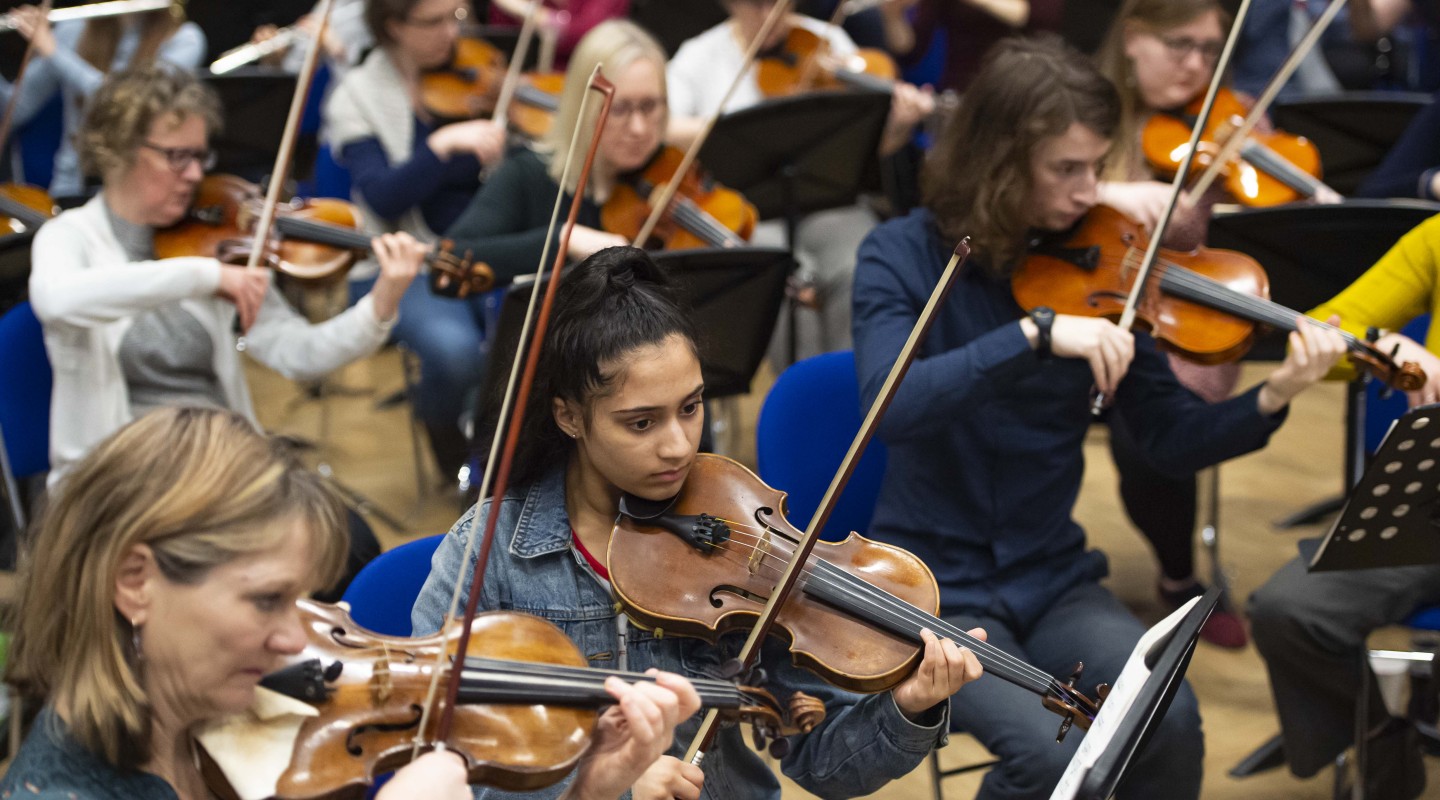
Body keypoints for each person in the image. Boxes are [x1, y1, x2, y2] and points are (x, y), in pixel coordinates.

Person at [852, 36, 1347, 799]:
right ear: (999, 161)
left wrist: (1275, 394)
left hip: (1053, 577)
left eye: (1097, 166)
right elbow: (893, 406)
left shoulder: (1101, 268)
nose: (1093, 192)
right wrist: (1032, 336)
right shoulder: (898, 256)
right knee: (1045, 760)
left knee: (1169, 720)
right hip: (934, 589)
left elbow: (1170, 440)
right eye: (1067, 170)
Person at [412, 245, 983, 800]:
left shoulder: (736, 530)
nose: (679, 445)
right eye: (641, 424)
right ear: (568, 415)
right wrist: (601, 789)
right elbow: (438, 762)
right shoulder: (489, 554)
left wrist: (909, 707)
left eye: (691, 407)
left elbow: (824, 763)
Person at [0, 406, 699, 800]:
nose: (294, 636)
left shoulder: (215, 725)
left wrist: (590, 791)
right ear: (135, 582)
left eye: (299, 599)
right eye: (265, 600)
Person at [28, 65, 425, 595]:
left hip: (222, 464)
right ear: (118, 149)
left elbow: (295, 352)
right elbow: (57, 302)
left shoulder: (212, 236)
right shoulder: (69, 238)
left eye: (201, 155)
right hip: (120, 483)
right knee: (264, 568)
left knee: (347, 545)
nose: (195, 174)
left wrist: (380, 304)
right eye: (176, 156)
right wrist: (204, 276)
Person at [1247, 212, 1440, 800]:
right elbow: (1320, 331)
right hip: (1429, 505)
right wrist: (1384, 345)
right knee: (1289, 609)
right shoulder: (1436, 238)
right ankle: (1379, 738)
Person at [665, 0, 934, 365]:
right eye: (757, 5)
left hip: (830, 205)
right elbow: (664, 129)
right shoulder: (698, 57)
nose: (770, 16)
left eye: (779, 3)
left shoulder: (828, 40)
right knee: (782, 279)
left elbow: (870, 146)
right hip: (751, 215)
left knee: (862, 262)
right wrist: (740, 128)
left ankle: (858, 390)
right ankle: (804, 393)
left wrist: (899, 127)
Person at [324, 0, 509, 479]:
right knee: (456, 353)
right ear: (394, 26)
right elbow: (383, 198)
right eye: (433, 22)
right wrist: (441, 146)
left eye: (457, 17)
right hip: (405, 263)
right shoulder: (355, 98)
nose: (451, 33)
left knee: (543, 332)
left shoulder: (474, 74)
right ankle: (454, 450)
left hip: (490, 248)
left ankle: (520, 458)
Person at [444, 19, 739, 285]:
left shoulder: (671, 171)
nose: (638, 128)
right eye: (619, 109)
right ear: (583, 106)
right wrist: (562, 239)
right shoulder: (528, 173)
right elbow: (449, 261)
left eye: (650, 106)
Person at [0, 3, 205, 199]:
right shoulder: (73, 31)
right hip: (69, 188)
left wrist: (54, 51)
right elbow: (14, 109)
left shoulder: (184, 40)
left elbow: (126, 102)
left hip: (140, 194)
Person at [880, 0, 1065, 92]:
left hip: (1026, 90)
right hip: (963, 92)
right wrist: (892, 15)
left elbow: (1038, 16)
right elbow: (913, 52)